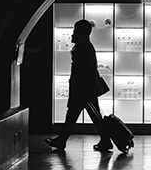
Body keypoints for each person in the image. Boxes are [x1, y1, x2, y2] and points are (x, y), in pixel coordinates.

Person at [46, 19, 112, 151]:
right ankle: (105, 140)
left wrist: (81, 90)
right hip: (86, 89)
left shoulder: (84, 48)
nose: (73, 33)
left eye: (75, 31)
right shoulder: (86, 46)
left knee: (75, 116)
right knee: (92, 116)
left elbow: (83, 71)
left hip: (83, 90)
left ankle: (62, 140)